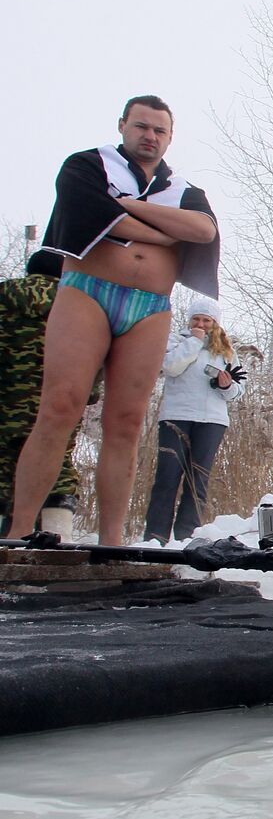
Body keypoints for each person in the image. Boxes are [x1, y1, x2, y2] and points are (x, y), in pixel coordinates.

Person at [9, 96, 220, 544]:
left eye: (160, 130)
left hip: (148, 307)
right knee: (60, 407)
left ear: (170, 136)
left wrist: (130, 207)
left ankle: (111, 541)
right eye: (142, 126)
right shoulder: (88, 166)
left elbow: (203, 230)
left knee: (125, 421)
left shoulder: (181, 187)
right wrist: (166, 232)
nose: (150, 136)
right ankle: (19, 530)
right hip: (88, 293)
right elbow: (94, 215)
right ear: (123, 125)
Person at [0, 253, 101, 540]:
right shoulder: (79, 304)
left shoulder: (4, 298)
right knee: (57, 462)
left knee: (4, 464)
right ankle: (59, 538)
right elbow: (91, 355)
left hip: (6, 403)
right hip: (59, 403)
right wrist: (90, 393)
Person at [142, 297, 245, 544]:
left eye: (206, 320)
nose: (201, 324)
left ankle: (188, 535)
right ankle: (155, 536)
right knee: (167, 476)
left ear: (215, 323)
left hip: (212, 420)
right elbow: (171, 367)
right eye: (196, 319)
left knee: (197, 479)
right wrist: (194, 342)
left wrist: (226, 385)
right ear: (189, 321)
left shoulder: (227, 352)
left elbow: (238, 392)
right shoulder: (176, 342)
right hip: (176, 416)